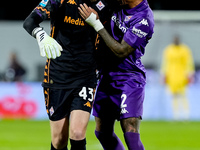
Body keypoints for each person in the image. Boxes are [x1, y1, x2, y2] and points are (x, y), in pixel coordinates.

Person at [23, 0, 115, 150]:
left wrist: (98, 23)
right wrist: (41, 35)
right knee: (59, 140)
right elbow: (30, 21)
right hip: (57, 75)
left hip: (86, 75)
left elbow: (112, 33)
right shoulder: (58, 1)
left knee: (78, 133)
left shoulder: (104, 4)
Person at [79, 0, 154, 149]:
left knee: (130, 129)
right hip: (106, 75)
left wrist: (97, 25)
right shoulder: (117, 4)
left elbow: (122, 51)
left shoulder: (144, 18)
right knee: (102, 132)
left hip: (129, 77)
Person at [161, 35, 195, 120]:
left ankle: (186, 115)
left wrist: (190, 74)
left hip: (182, 75)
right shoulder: (169, 50)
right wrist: (164, 75)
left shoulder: (185, 50)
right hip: (172, 75)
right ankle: (176, 115)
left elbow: (189, 62)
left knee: (183, 95)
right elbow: (165, 63)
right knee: (174, 95)